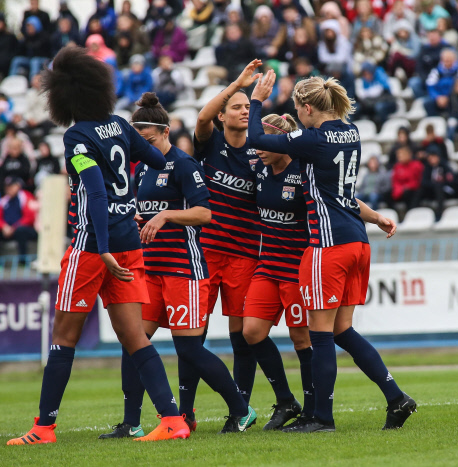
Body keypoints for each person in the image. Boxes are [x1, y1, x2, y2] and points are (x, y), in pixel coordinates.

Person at [7, 47, 190, 445]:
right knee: (135, 338)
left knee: (63, 337)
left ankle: (43, 429)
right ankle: (173, 421)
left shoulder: (76, 136)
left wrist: (102, 245)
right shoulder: (122, 125)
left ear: (63, 96)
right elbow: (159, 162)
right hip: (128, 244)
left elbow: (93, 192)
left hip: (94, 247)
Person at [248, 71, 416, 433]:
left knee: (320, 335)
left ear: (307, 108)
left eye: (297, 108)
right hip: (357, 240)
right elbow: (341, 193)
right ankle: (396, 398)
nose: (298, 114)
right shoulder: (351, 133)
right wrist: (375, 218)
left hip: (327, 246)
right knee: (343, 331)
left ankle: (321, 418)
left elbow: (256, 138)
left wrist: (258, 99)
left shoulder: (314, 140)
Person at [101, 93, 255, 439]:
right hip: (150, 269)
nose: (143, 148)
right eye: (138, 142)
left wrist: (166, 215)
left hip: (183, 270)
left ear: (165, 132)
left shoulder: (185, 165)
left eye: (149, 140)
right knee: (133, 340)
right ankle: (131, 423)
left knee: (188, 348)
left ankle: (242, 411)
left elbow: (205, 213)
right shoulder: (140, 170)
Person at [193, 60, 262, 409]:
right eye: (236, 106)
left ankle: (241, 408)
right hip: (206, 252)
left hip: (244, 255)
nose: (243, 110)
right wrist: (236, 83)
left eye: (248, 106)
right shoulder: (211, 143)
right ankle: (186, 409)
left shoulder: (261, 151)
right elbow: (202, 119)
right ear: (223, 114)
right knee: (193, 334)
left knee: (241, 337)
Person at [239, 113, 310, 432]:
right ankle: (286, 401)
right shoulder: (258, 170)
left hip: (297, 270)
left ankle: (312, 409)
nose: (258, 148)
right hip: (267, 267)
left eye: (265, 142)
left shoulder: (303, 169)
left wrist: (374, 216)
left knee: (302, 338)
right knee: (251, 331)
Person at [0, 177, 37, 258]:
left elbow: (29, 218)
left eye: (11, 186)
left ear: (18, 186)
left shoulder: (26, 197)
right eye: (7, 186)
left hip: (21, 229)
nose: (8, 189)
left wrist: (14, 227)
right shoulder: (3, 200)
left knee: (21, 231)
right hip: (6, 230)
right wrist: (4, 227)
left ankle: (22, 260)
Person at [391, 145, 424, 210]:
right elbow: (395, 181)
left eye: (401, 155)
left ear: (408, 155)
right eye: (398, 155)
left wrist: (405, 187)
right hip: (400, 190)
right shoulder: (397, 166)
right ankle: (394, 213)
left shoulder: (417, 165)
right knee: (386, 194)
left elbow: (418, 181)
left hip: (412, 190)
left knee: (411, 193)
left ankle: (410, 211)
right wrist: (399, 189)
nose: (399, 157)